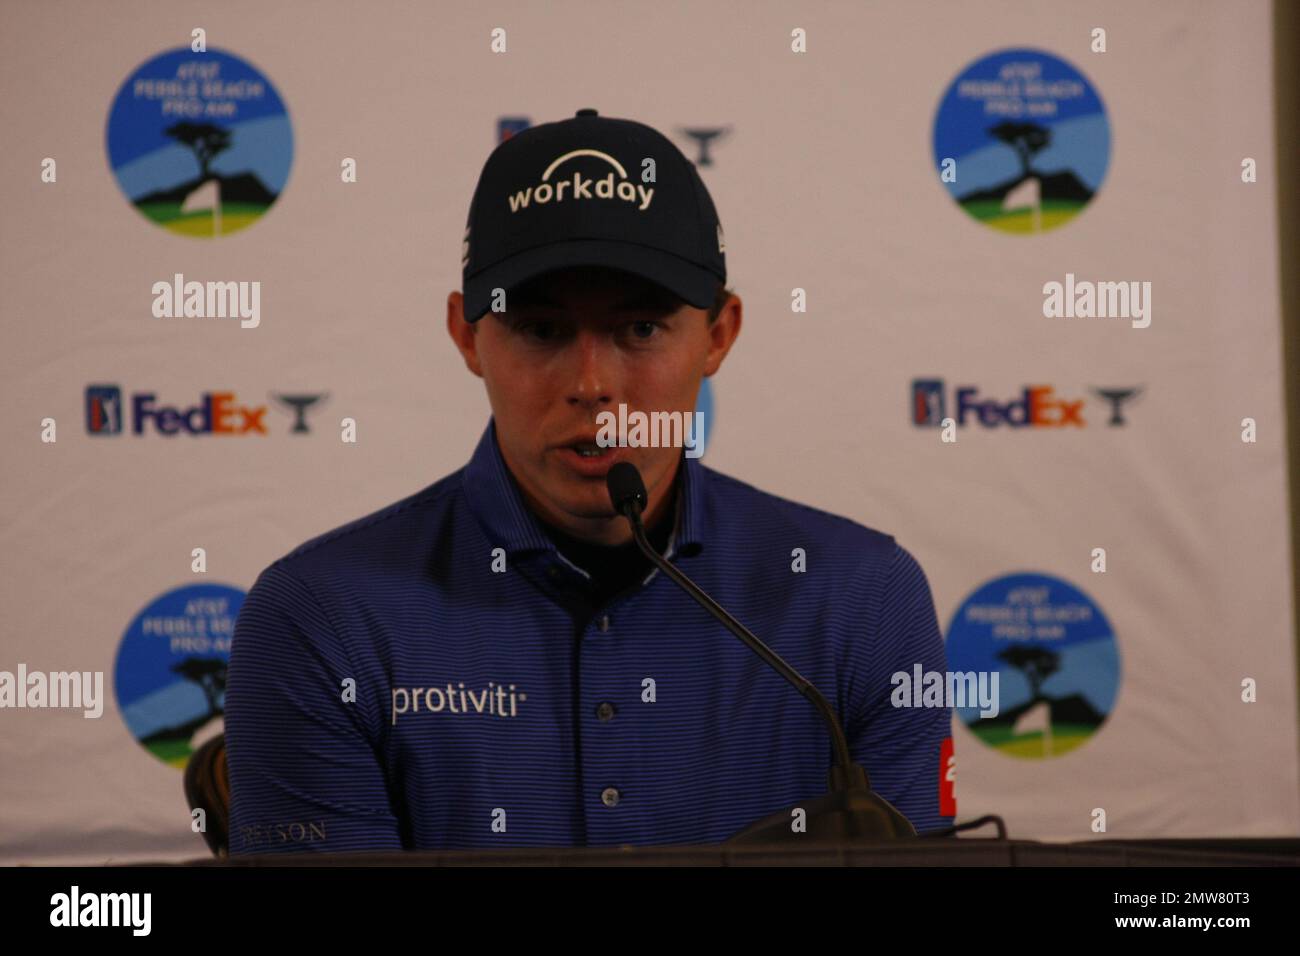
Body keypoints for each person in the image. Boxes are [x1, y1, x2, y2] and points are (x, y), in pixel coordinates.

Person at [225, 109, 954, 854]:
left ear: (719, 335)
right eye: (541, 329)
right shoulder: (319, 617)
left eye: (639, 329)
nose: (592, 383)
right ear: (467, 336)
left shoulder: (865, 599)